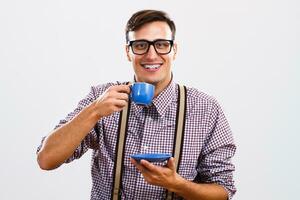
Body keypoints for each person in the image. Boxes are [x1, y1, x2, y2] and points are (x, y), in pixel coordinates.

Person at [37, 9, 236, 200]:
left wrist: (177, 184)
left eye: (161, 44)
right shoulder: (101, 98)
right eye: (140, 45)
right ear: (128, 52)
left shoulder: (205, 109)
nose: (151, 55)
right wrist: (94, 111)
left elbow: (223, 191)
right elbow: (46, 159)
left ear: (174, 50)